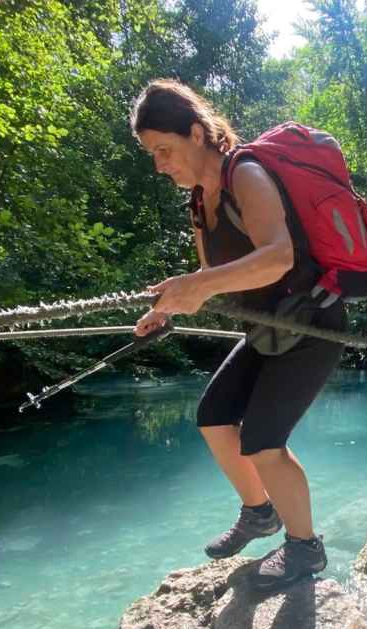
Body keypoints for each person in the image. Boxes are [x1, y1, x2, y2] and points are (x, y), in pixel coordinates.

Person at [130, 79, 347, 591]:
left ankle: (305, 550)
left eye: (165, 149)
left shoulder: (244, 173)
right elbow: (216, 283)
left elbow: (278, 257)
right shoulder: (199, 203)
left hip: (311, 324)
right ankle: (260, 514)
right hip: (266, 330)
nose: (160, 164)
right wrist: (168, 308)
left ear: (198, 133)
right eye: (152, 155)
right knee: (213, 417)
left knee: (264, 441)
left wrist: (198, 283)